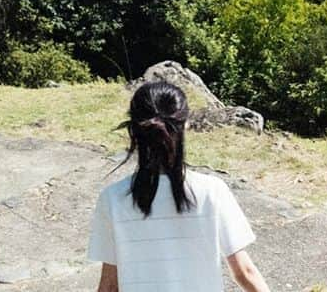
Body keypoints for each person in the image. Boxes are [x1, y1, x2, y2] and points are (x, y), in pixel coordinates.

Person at [86, 78, 272, 292]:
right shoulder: (212, 191)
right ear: (186, 124)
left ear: (133, 129)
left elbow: (109, 286)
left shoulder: (113, 198)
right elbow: (245, 273)